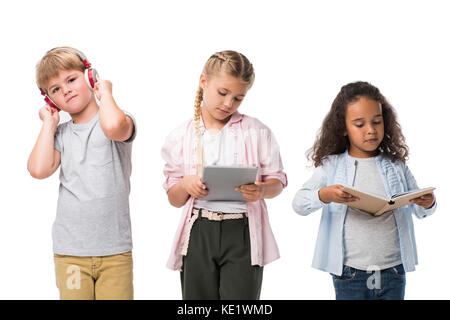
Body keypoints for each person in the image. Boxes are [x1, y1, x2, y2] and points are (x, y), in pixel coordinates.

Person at [292, 81, 436, 300]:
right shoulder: (332, 166)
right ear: (343, 128)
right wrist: (326, 195)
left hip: (393, 270)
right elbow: (299, 203)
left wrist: (427, 203)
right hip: (350, 273)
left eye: (377, 122)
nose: (371, 130)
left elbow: (420, 209)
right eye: (360, 124)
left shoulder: (396, 166)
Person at [161, 50, 287, 300]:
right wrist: (186, 184)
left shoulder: (257, 132)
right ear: (203, 82)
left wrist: (262, 189)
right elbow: (174, 199)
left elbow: (278, 181)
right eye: (222, 93)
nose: (229, 103)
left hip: (242, 231)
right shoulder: (180, 136)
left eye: (238, 98)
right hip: (198, 231)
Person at [28, 47, 136, 300]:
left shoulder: (120, 119)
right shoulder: (61, 134)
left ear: (90, 77)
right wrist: (48, 123)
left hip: (115, 252)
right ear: (50, 99)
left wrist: (105, 92)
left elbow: (112, 127)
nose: (65, 90)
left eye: (71, 80)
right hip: (71, 253)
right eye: (55, 89)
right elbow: (38, 169)